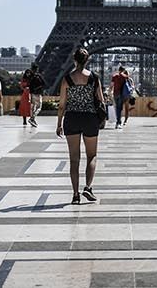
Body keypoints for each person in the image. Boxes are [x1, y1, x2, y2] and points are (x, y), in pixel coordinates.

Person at [56, 47, 105, 204]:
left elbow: (62, 105)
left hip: (72, 118)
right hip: (90, 118)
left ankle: (75, 194)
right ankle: (88, 187)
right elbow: (102, 101)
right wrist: (103, 119)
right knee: (92, 156)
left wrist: (59, 124)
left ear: (74, 60)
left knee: (74, 159)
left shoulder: (67, 79)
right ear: (87, 60)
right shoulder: (94, 78)